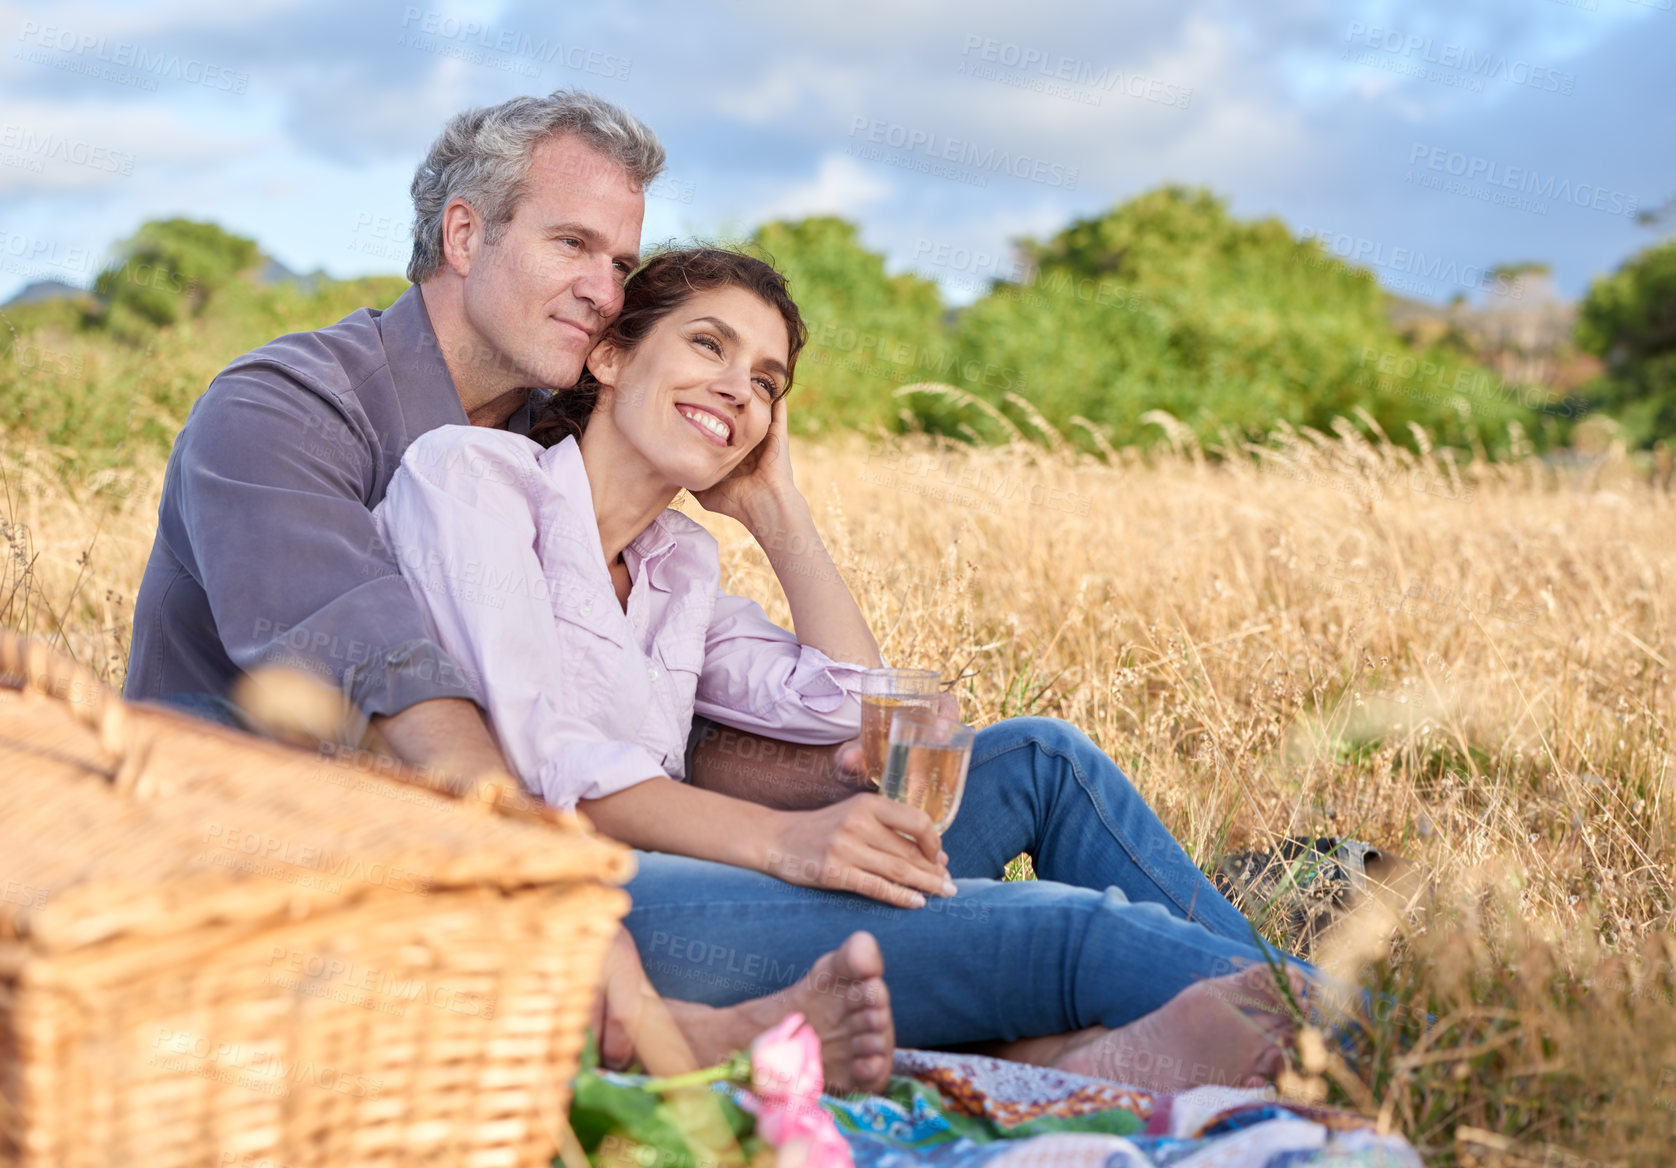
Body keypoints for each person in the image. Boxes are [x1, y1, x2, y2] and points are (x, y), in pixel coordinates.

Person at [376, 245, 1317, 1093]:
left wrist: (776, 510)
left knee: (1042, 759)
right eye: (708, 345)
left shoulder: (678, 563)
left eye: (767, 381)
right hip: (581, 906)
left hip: (696, 866)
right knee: (1065, 933)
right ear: (611, 354)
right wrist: (792, 843)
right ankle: (1366, 1045)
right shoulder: (473, 480)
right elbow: (549, 763)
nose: (740, 388)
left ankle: (1268, 1002)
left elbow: (849, 712)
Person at [123, 89, 897, 1092]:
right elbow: (389, 673)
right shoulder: (285, 405)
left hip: (527, 830)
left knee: (1022, 764)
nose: (603, 290)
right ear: (462, 233)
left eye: (619, 264)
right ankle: (655, 1037)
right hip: (283, 859)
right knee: (1030, 934)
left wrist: (776, 518)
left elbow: (701, 696)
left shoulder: (553, 442)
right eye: (570, 245)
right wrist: (580, 873)